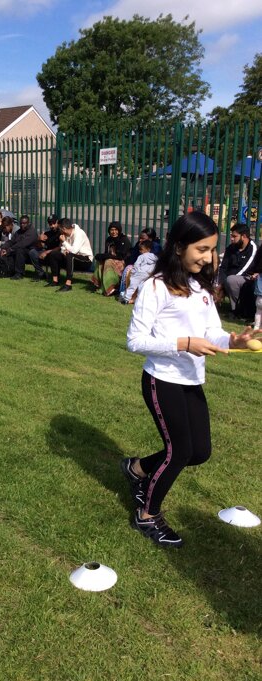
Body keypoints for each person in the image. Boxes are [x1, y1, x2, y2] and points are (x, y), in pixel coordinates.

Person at [123, 211, 260, 548]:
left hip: (190, 379)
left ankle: (137, 469)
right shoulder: (155, 286)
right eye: (201, 249)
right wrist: (183, 344)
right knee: (180, 451)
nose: (208, 257)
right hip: (162, 379)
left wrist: (234, 341)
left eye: (212, 249)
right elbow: (135, 341)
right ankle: (147, 515)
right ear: (179, 246)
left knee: (199, 452)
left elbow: (211, 332)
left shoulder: (200, 287)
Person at [216, 223, 258, 315]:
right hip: (229, 279)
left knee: (231, 280)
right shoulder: (231, 248)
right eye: (231, 236)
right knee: (213, 277)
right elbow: (223, 267)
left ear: (244, 236)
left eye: (234, 236)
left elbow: (244, 269)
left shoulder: (253, 249)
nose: (231, 238)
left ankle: (237, 309)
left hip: (247, 279)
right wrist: (220, 283)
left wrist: (223, 284)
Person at [46, 218, 93, 291]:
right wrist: (64, 250)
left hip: (85, 260)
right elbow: (63, 248)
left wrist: (64, 242)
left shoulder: (79, 233)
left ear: (64, 229)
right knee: (54, 254)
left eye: (60, 229)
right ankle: (55, 281)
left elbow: (73, 251)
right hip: (71, 258)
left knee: (70, 255)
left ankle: (68, 284)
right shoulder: (65, 234)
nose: (59, 231)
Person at [91, 221, 131, 295]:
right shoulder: (109, 239)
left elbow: (121, 256)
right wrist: (101, 256)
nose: (114, 232)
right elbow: (107, 253)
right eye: (112, 230)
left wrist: (107, 256)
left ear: (119, 230)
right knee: (100, 261)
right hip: (111, 259)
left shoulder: (124, 240)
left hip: (123, 262)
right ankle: (100, 285)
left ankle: (111, 288)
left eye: (116, 230)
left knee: (108, 261)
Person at [0, 215, 39, 280]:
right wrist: (4, 247)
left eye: (24, 223)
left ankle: (19, 273)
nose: (22, 225)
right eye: (21, 223)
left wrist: (9, 250)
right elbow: (12, 241)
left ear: (28, 223)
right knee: (12, 251)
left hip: (32, 252)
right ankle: (9, 270)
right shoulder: (19, 232)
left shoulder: (32, 232)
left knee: (19, 250)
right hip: (23, 252)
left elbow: (23, 244)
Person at [119, 239, 158, 304]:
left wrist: (133, 272)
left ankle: (126, 299)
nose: (140, 251)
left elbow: (136, 265)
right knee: (141, 287)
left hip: (139, 273)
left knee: (132, 286)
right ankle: (139, 299)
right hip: (149, 274)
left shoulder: (141, 256)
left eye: (141, 249)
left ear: (148, 249)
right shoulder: (155, 257)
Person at [29, 214, 62, 282]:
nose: (52, 226)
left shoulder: (61, 232)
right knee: (32, 252)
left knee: (53, 254)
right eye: (50, 224)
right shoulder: (48, 232)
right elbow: (40, 246)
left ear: (57, 222)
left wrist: (46, 252)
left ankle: (55, 277)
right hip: (46, 252)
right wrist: (39, 239)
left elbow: (60, 247)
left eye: (53, 223)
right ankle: (41, 273)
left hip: (57, 253)